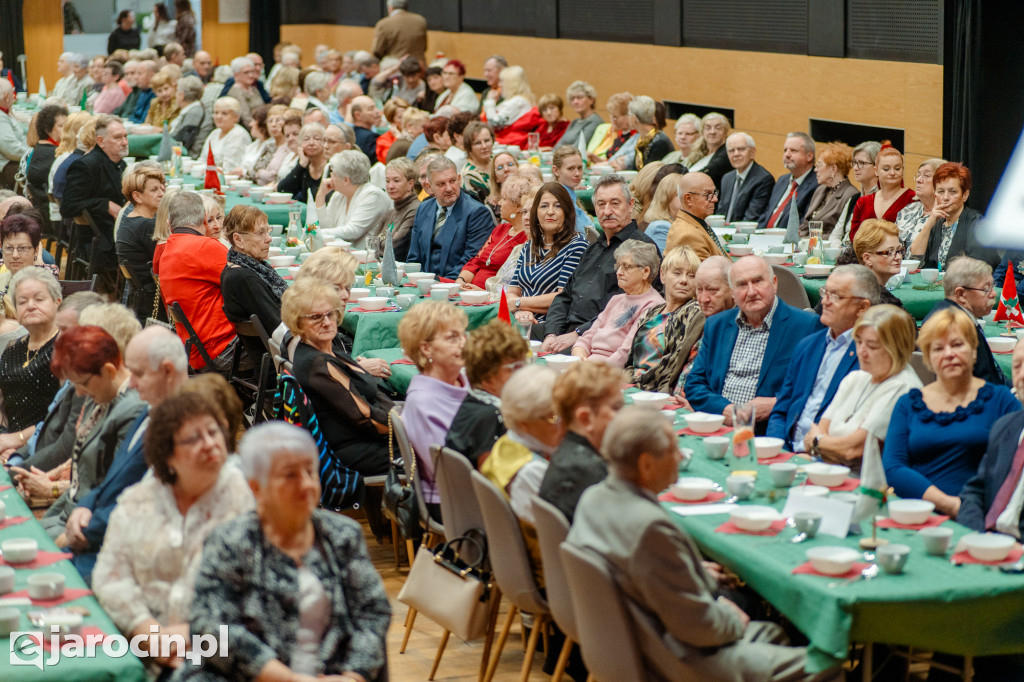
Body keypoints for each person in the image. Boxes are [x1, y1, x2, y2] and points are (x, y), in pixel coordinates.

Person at [568, 408, 832, 681]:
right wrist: (727, 615)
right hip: (673, 661)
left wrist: (698, 577)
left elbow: (643, 575)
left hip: (621, 648)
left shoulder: (592, 498)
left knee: (770, 633)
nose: (681, 457)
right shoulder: (650, 527)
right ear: (646, 464)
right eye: (673, 450)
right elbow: (696, 627)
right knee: (822, 666)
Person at [176, 422, 390, 681]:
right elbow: (210, 626)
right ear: (257, 488)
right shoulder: (230, 541)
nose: (307, 484)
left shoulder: (342, 535)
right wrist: (287, 678)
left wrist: (353, 676)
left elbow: (373, 610)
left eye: (311, 472)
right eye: (290, 475)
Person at [92, 390, 253, 674]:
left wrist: (194, 637)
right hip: (142, 646)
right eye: (193, 439)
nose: (209, 444)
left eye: (213, 432)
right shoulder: (138, 500)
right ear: (167, 455)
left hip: (227, 649)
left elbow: (260, 591)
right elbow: (109, 577)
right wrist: (148, 632)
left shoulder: (248, 499)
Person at [65, 326, 188, 581]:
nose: (130, 383)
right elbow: (114, 477)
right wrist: (83, 508)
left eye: (139, 374)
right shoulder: (151, 407)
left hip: (128, 558)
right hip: (100, 534)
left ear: (167, 371)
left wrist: (86, 530)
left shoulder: (189, 428)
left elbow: (152, 507)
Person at [883, 307, 1019, 516]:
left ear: (974, 350)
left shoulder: (1001, 401)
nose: (949, 354)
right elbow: (893, 467)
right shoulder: (908, 404)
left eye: (957, 345)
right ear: (928, 357)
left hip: (982, 514)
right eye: (938, 348)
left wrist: (970, 511)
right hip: (916, 512)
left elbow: (1017, 465)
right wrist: (950, 505)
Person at [21, 324, 145, 537]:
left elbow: (112, 490)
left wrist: (51, 490)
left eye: (82, 383)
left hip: (85, 526)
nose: (78, 392)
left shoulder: (133, 410)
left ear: (109, 371)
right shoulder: (100, 397)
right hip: (64, 513)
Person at [685, 256, 822, 432]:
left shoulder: (805, 326)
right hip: (718, 426)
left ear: (774, 283)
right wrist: (725, 410)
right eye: (742, 285)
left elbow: (817, 388)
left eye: (757, 281)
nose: (751, 292)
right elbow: (694, 383)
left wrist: (776, 403)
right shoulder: (717, 325)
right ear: (733, 293)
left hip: (769, 431)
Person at [282, 279, 393, 479]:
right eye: (315, 317)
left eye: (330, 314)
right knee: (439, 449)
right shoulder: (318, 364)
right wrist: (408, 426)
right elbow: (368, 420)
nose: (326, 322)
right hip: (354, 451)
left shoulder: (326, 348)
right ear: (298, 322)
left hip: (363, 438)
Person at [542, 175, 659, 353]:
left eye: (615, 203)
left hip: (601, 339)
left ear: (630, 205)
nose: (607, 211)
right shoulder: (593, 248)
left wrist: (578, 334)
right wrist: (551, 333)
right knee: (508, 333)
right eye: (601, 204)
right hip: (565, 330)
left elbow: (626, 309)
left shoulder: (642, 249)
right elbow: (564, 297)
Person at [767, 265, 877, 452]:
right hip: (787, 451)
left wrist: (812, 455)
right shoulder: (808, 345)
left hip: (828, 458)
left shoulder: (870, 357)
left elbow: (859, 434)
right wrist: (776, 449)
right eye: (825, 292)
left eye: (835, 296)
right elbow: (781, 410)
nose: (824, 301)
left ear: (862, 307)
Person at [805, 304, 921, 472]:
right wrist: (825, 444)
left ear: (897, 347)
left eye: (872, 346)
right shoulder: (855, 378)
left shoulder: (904, 388)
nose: (862, 352)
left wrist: (817, 443)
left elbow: (853, 452)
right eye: (859, 342)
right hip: (829, 472)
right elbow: (820, 429)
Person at [398, 300, 469, 519]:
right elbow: (451, 473)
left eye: (464, 335)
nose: (463, 343)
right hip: (451, 503)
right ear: (426, 348)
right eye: (452, 338)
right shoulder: (422, 402)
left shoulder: (464, 380)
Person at [479, 364, 563, 534]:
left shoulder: (505, 443)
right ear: (524, 423)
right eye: (555, 417)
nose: (564, 425)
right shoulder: (531, 472)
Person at [157, 192, 236, 371]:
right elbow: (249, 283)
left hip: (195, 349)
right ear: (204, 221)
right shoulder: (204, 247)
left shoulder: (168, 248)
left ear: (170, 225)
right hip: (221, 350)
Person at [538, 362, 623, 522]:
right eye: (616, 408)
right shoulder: (593, 472)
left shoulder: (564, 451)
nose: (622, 416)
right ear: (585, 418)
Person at [960, 339, 1024, 536]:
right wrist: (976, 535)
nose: (1022, 376)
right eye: (1017, 366)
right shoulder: (1006, 426)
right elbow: (975, 492)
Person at [444, 320, 529, 466]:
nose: (522, 372)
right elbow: (489, 483)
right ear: (488, 375)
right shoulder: (490, 417)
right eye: (514, 366)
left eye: (523, 364)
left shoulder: (474, 401)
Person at [60, 114, 128, 294]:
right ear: (101, 141)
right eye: (118, 137)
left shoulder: (121, 164)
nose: (124, 142)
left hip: (115, 231)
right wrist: (104, 204)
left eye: (125, 136)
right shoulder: (86, 165)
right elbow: (67, 206)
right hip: (99, 239)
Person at [572, 240, 664, 366]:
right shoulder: (616, 299)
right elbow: (586, 338)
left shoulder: (653, 305)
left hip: (610, 373)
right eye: (618, 266)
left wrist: (592, 370)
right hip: (588, 365)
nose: (619, 272)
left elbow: (626, 353)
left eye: (626, 267)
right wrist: (579, 355)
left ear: (646, 272)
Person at [627, 246, 705, 392]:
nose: (683, 280)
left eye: (691, 275)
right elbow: (631, 359)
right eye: (677, 273)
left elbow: (671, 366)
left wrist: (634, 384)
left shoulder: (696, 313)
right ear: (662, 275)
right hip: (633, 384)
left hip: (656, 391)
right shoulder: (651, 312)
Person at [509, 183, 588, 327]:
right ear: (536, 213)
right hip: (522, 319)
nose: (550, 211)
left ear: (567, 212)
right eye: (544, 206)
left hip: (552, 325)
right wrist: (520, 311)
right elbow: (512, 291)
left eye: (557, 206)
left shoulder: (577, 245)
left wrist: (519, 303)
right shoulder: (530, 246)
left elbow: (562, 298)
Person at [407, 156, 493, 278]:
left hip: (455, 286)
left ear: (459, 179)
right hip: (423, 285)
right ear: (428, 187)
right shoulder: (423, 208)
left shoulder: (477, 213)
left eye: (452, 181)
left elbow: (470, 262)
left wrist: (440, 286)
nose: (449, 188)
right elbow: (414, 258)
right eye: (441, 184)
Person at [924, 256, 1005, 386]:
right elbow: (981, 382)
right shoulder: (952, 327)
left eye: (992, 286)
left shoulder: (946, 311)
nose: (993, 294)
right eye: (986, 289)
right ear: (961, 294)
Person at [0, 268, 63, 434]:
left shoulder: (65, 348)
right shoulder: (12, 350)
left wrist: (17, 440)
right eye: (22, 302)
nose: (30, 306)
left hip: (45, 442)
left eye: (39, 299)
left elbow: (65, 416)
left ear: (57, 301)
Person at [912, 162, 998, 270]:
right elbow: (915, 259)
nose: (946, 197)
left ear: (965, 195)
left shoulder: (976, 223)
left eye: (952, 192)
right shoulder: (937, 223)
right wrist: (929, 223)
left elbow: (979, 269)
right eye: (940, 191)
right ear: (935, 194)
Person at [455, 175, 532, 290]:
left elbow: (513, 283)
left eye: (504, 199)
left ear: (518, 206)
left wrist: (484, 293)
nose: (499, 203)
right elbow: (476, 260)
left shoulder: (528, 237)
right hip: (470, 288)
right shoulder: (500, 229)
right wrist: (461, 280)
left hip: (492, 296)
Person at [220, 205, 284, 341]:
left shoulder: (243, 266)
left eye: (268, 231)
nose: (269, 238)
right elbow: (278, 328)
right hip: (276, 356)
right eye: (261, 233)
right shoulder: (244, 278)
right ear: (238, 240)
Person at [116, 163, 164, 320]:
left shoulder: (130, 219)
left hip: (140, 297)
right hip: (153, 300)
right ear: (137, 196)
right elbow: (165, 260)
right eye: (154, 190)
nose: (161, 193)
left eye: (162, 188)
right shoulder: (145, 225)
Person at [316, 149, 391, 248]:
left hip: (365, 258)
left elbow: (353, 231)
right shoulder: (339, 195)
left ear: (346, 180)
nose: (330, 178)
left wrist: (316, 232)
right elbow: (325, 226)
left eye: (333, 174)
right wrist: (320, 195)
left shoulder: (373, 196)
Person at [849, 143, 915, 240]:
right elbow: (854, 237)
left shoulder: (912, 198)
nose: (892, 173)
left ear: (903, 170)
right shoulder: (863, 202)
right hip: (865, 254)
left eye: (897, 168)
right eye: (886, 169)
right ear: (876, 171)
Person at [758, 132, 819, 231]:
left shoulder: (817, 184)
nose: (787, 155)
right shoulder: (782, 180)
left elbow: (804, 224)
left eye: (793, 151)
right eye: (785, 150)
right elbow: (766, 215)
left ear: (809, 156)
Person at [802, 141, 860, 240]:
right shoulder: (820, 190)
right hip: (806, 245)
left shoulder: (850, 195)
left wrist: (808, 240)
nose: (815, 170)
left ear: (833, 169)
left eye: (819, 165)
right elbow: (805, 224)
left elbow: (839, 234)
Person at [666, 172, 727, 260]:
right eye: (708, 195)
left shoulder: (695, 222)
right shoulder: (688, 236)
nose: (715, 199)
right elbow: (706, 273)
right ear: (688, 199)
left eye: (714, 193)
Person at [717, 132, 774, 224]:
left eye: (741, 149)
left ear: (752, 152)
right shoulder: (726, 178)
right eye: (731, 150)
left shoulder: (763, 179)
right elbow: (720, 213)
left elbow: (751, 218)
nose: (736, 154)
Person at [370, 157, 419, 261]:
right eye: (387, 181)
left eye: (396, 181)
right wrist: (384, 241)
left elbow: (394, 245)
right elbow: (371, 243)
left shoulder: (415, 209)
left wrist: (379, 242)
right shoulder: (391, 212)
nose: (390, 186)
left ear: (410, 184)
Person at [25, 103, 69, 218]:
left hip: (46, 216)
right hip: (57, 218)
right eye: (62, 126)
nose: (67, 130)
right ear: (48, 130)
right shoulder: (57, 157)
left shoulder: (37, 149)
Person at [484, 66, 541, 147]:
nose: (499, 84)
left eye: (502, 81)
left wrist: (490, 102)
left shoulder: (518, 102)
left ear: (511, 84)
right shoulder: (515, 100)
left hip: (510, 143)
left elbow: (495, 123)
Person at [852, 219, 905, 307]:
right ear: (867, 258)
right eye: (889, 252)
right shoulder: (877, 303)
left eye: (899, 250)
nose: (898, 257)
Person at [896, 158, 946, 248]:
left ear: (941, 182)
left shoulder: (944, 215)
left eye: (926, 176)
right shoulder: (908, 209)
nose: (918, 180)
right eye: (918, 175)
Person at [199, 97, 251, 174]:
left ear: (236, 117)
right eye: (216, 113)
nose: (218, 117)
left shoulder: (239, 134)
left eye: (224, 113)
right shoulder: (214, 133)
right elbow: (202, 159)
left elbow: (229, 168)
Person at [277, 122, 326, 201]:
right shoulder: (304, 165)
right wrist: (301, 164)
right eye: (306, 139)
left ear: (325, 143)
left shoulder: (331, 165)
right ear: (300, 144)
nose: (311, 143)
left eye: (317, 139)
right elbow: (283, 190)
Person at [551, 145, 592, 233]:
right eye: (570, 169)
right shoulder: (557, 201)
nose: (577, 173)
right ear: (556, 170)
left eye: (580, 168)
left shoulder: (571, 196)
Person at [586, 92, 635, 165]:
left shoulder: (634, 136)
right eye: (611, 116)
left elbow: (623, 164)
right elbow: (611, 162)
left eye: (615, 117)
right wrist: (595, 158)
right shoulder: (621, 134)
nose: (612, 120)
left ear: (628, 115)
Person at [170, 75, 211, 158]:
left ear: (181, 95)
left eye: (176, 92)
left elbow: (183, 142)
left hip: (189, 158)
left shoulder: (194, 112)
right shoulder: (194, 109)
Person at [687, 112, 731, 190]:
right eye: (708, 128)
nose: (712, 132)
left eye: (718, 128)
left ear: (725, 132)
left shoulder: (727, 153)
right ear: (702, 132)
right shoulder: (699, 151)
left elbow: (707, 173)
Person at [231, 103, 276, 180]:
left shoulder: (272, 145)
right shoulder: (254, 144)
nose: (250, 124)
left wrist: (243, 172)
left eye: (254, 120)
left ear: (263, 124)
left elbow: (259, 171)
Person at [629, 96, 673, 171]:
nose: (627, 117)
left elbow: (650, 174)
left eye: (628, 114)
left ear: (634, 118)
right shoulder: (642, 139)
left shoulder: (660, 142)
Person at [643, 173, 684, 252]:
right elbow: (663, 262)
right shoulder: (661, 227)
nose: (685, 200)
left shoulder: (674, 222)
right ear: (666, 198)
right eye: (678, 195)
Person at [556, 81, 603, 148]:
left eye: (580, 97)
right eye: (572, 99)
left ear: (591, 100)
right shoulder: (575, 122)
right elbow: (558, 145)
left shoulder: (595, 121)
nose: (575, 102)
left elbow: (577, 148)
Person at [0, 81, 28, 189]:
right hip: (8, 166)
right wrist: (32, 155)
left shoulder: (5, 111)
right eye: (13, 93)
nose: (14, 97)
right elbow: (13, 150)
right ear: (7, 96)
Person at [460, 120, 495, 204]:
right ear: (469, 149)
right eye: (477, 143)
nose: (484, 146)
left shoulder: (497, 161)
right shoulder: (469, 175)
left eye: (487, 140)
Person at [224, 57, 264, 128]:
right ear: (236, 75)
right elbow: (246, 118)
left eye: (252, 71)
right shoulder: (236, 92)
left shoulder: (254, 89)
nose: (251, 75)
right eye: (246, 72)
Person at [116, 59, 157, 124]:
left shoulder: (156, 93)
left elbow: (144, 120)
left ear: (151, 76)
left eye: (140, 74)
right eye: (126, 74)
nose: (136, 77)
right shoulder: (142, 92)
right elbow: (134, 115)